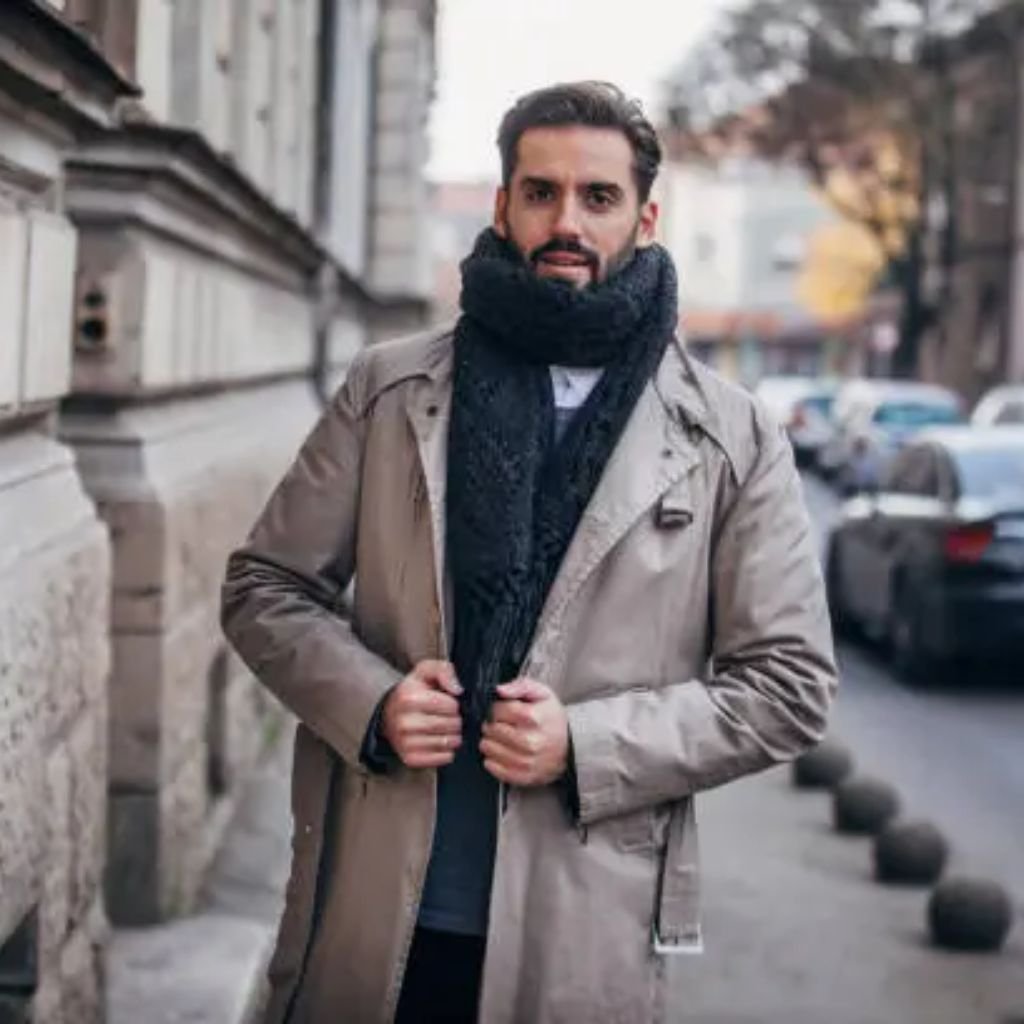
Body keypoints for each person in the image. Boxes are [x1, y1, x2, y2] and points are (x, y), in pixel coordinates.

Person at [221, 80, 837, 1024]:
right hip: (377, 900)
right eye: (540, 192)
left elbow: (789, 683)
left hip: (583, 923)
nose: (567, 222)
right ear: (502, 204)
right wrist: (372, 700)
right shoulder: (390, 391)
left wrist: (587, 745)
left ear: (645, 216)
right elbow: (265, 586)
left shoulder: (729, 436)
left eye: (598, 198)